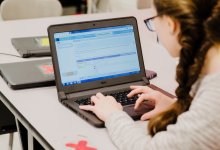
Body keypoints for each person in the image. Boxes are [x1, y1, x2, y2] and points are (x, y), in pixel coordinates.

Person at [80, 0, 220, 149]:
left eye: (153, 20)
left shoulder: (214, 97)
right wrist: (176, 106)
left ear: (171, 24)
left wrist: (112, 115)